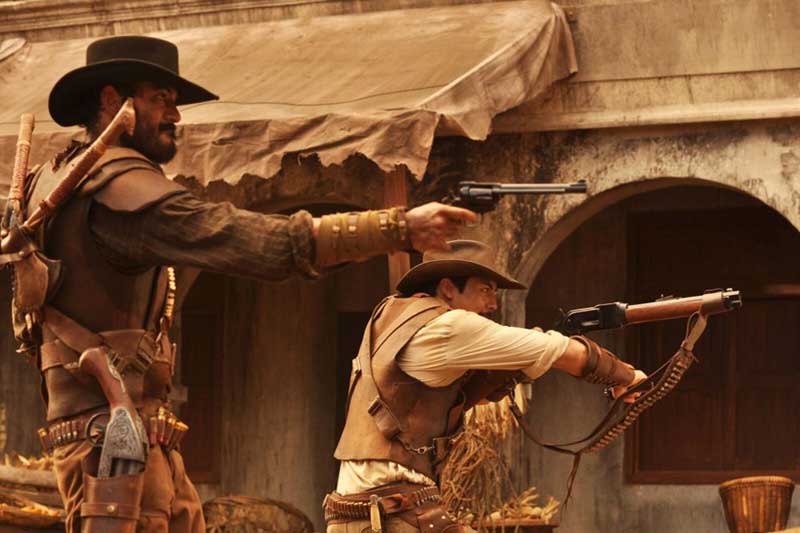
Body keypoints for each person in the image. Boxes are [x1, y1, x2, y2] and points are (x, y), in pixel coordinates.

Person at [7, 35, 476, 532]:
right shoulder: (113, 188)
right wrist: (394, 228)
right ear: (110, 100)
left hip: (129, 438)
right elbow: (243, 239)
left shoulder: (58, 180)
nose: (175, 115)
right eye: (160, 99)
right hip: (116, 449)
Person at [324, 240, 646, 533]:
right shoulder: (448, 326)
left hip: (380, 510)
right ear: (448, 288)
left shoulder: (395, 318)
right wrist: (624, 376)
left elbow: (465, 396)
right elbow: (561, 351)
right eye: (485, 290)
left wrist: (513, 368)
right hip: (390, 514)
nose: (493, 304)